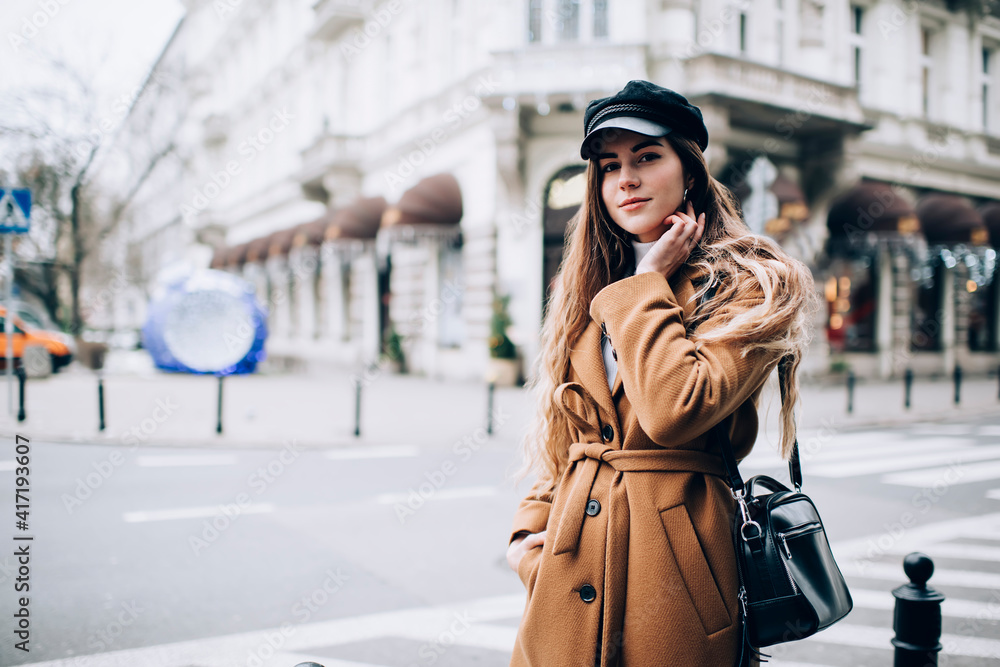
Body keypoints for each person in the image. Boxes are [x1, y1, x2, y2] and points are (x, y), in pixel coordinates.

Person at [504, 80, 816, 666]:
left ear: (690, 171)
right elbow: (566, 440)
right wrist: (527, 541)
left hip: (676, 584)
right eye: (609, 166)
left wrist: (648, 282)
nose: (626, 179)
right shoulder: (589, 285)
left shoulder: (750, 282)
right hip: (566, 577)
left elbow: (676, 410)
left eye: (647, 157)